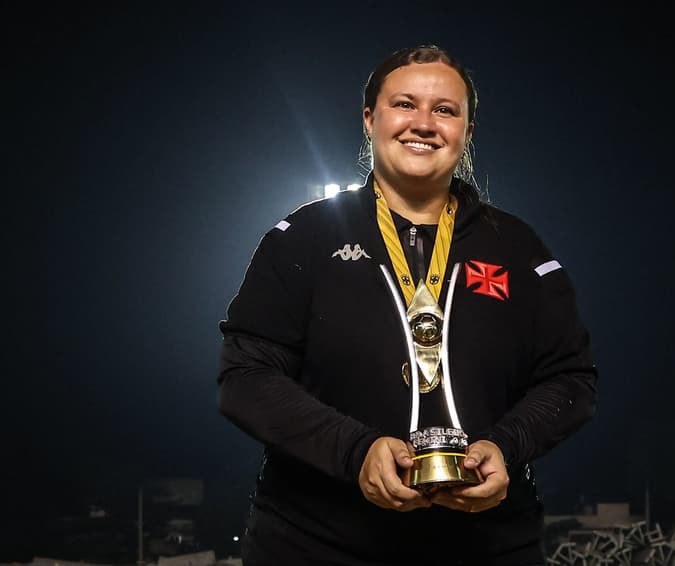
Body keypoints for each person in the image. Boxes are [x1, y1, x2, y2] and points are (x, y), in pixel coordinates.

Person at [217, 44, 598, 566]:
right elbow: (246, 377)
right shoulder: (302, 236)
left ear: (466, 130)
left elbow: (571, 379)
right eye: (405, 104)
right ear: (370, 118)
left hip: (486, 543)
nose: (424, 123)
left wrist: (506, 447)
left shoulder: (518, 246)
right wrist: (355, 453)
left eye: (445, 110)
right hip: (316, 542)